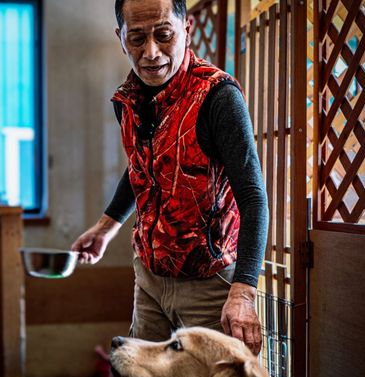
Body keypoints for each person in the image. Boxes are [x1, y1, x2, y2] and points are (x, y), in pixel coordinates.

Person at [71, 0, 268, 355]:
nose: (151, 53)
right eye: (136, 39)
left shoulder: (218, 97)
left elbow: (252, 196)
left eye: (164, 35)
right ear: (120, 38)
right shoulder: (126, 101)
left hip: (210, 285)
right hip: (149, 278)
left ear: (186, 28)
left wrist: (243, 291)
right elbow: (142, 170)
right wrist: (105, 226)